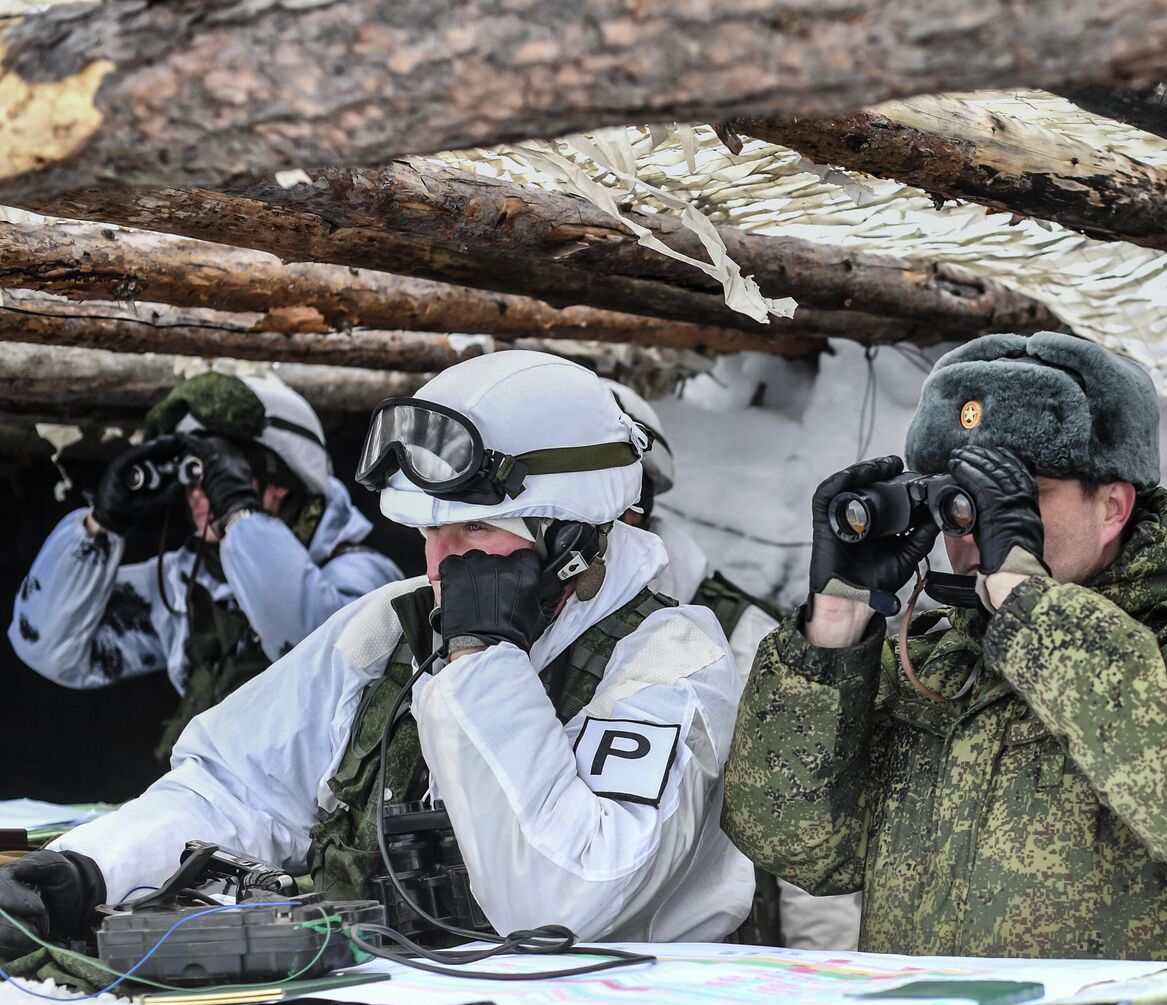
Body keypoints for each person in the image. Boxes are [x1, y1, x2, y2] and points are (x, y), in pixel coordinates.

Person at [0, 352, 751, 961]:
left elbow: (565, 905)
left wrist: (483, 658)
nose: (439, 565)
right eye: (429, 534)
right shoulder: (391, 626)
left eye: (473, 534)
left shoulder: (672, 661)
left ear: (571, 536)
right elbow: (237, 789)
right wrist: (88, 868)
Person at [722, 332, 1167, 962]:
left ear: (1113, 506)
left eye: (1015, 498)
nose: (979, 529)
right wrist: (834, 630)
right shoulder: (933, 667)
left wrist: (1028, 605)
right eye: (962, 503)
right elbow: (794, 844)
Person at [8, 372, 402, 756]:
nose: (198, 491)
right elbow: (50, 648)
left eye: (217, 471)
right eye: (194, 474)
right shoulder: (189, 584)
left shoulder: (363, 577)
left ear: (280, 479)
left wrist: (240, 517)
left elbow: (310, 649)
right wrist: (102, 525)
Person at [604, 377, 860, 951]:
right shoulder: (478, 631)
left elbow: (806, 809)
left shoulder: (738, 636)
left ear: (635, 506)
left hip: (708, 967)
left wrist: (821, 982)